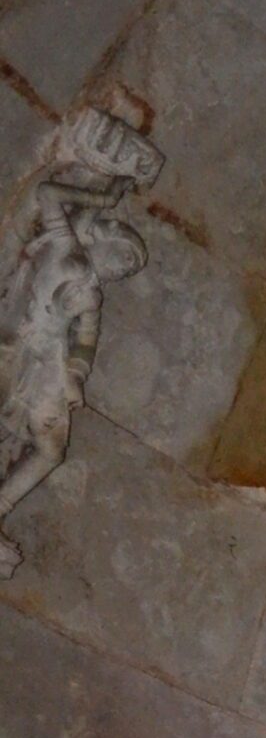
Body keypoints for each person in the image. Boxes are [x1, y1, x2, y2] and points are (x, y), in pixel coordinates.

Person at [0, 182, 146, 565]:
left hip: (48, 367)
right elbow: (48, 193)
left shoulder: (93, 295)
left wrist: (76, 375)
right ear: (104, 242)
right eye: (125, 258)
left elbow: (85, 340)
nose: (123, 270)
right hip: (17, 348)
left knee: (51, 449)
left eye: (129, 269)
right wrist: (103, 198)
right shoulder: (68, 248)